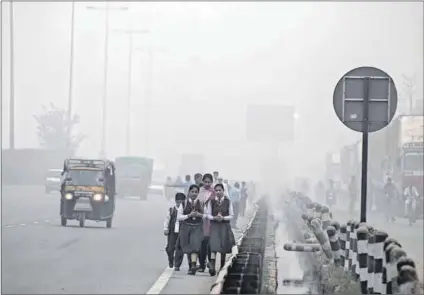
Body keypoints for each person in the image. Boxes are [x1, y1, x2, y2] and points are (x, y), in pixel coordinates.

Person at [206, 183, 235, 276]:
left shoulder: (228, 202)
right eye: (216, 190)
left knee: (223, 246)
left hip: (224, 226)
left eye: (220, 190)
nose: (218, 192)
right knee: (214, 246)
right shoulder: (212, 202)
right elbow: (208, 214)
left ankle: (222, 267)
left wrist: (223, 218)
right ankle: (212, 267)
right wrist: (214, 218)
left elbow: (231, 215)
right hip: (214, 226)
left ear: (223, 191)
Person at [177, 184, 204, 275]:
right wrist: (189, 215)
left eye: (196, 192)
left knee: (195, 245)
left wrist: (199, 215)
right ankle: (190, 266)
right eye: (192, 192)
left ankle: (193, 265)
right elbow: (179, 217)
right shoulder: (184, 204)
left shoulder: (201, 203)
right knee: (188, 246)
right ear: (189, 192)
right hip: (186, 226)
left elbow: (207, 215)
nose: (194, 194)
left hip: (197, 226)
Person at [196, 173, 215, 272]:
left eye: (209, 182)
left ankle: (211, 264)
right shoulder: (199, 191)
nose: (207, 183)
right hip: (200, 220)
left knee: (210, 244)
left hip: (211, 222)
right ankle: (202, 265)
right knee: (201, 243)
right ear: (203, 181)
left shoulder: (214, 192)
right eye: (205, 181)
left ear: (212, 182)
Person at [164, 192, 186, 270]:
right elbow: (167, 220)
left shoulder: (185, 211)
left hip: (182, 232)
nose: (179, 204)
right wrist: (166, 229)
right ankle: (171, 259)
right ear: (175, 201)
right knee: (170, 248)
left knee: (180, 248)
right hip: (172, 232)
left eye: (181, 202)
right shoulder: (171, 210)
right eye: (178, 202)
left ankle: (177, 265)